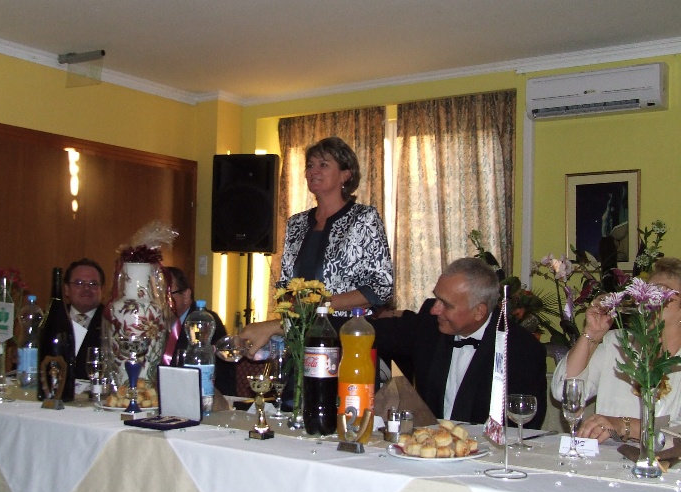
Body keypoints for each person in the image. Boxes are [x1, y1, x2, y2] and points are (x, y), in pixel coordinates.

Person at [241, 136, 394, 349]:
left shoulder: (363, 218)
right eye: (310, 166)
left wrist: (320, 305)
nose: (314, 171)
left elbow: (381, 287)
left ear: (346, 174)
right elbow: (285, 286)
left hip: (348, 338)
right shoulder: (296, 223)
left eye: (323, 165)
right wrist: (288, 317)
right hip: (298, 339)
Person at [373, 257, 548, 427]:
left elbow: (524, 424)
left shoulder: (522, 350)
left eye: (446, 305)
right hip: (431, 442)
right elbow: (372, 333)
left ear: (479, 311)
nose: (434, 309)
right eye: (436, 298)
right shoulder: (429, 324)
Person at [557, 257, 681, 443]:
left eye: (662, 290)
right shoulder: (618, 343)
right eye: (647, 290)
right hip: (607, 457)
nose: (650, 298)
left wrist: (626, 426)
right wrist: (591, 335)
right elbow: (565, 392)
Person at [165, 266, 236, 396]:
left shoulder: (203, 322)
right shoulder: (156, 323)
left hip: (208, 397)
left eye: (167, 295)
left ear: (186, 295)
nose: (160, 302)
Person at [64, 258, 106, 380]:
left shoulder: (112, 321)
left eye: (93, 284)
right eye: (79, 283)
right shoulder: (51, 318)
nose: (86, 288)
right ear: (66, 289)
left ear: (102, 290)